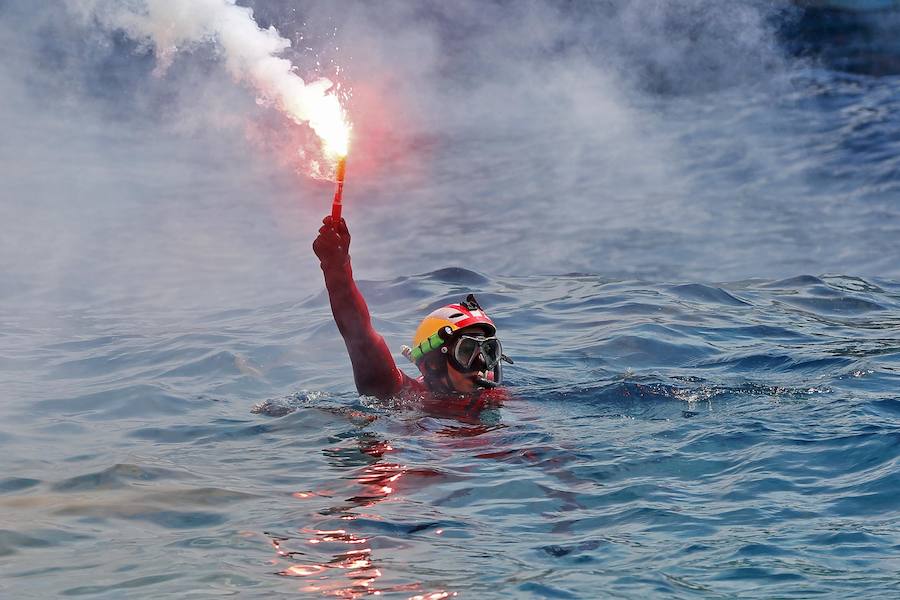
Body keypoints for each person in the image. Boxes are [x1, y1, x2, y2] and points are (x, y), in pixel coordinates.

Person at [313, 216, 512, 404]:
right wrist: (336, 267)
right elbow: (360, 336)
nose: (481, 364)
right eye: (467, 350)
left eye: (489, 350)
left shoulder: (495, 395)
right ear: (434, 363)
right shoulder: (406, 395)